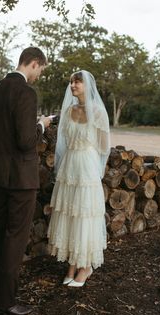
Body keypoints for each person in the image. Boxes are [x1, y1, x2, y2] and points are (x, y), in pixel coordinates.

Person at [0, 47, 51, 315]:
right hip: (21, 176)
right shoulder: (25, 93)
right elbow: (25, 141)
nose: (38, 75)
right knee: (15, 236)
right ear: (33, 63)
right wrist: (41, 125)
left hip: (0, 174)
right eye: (40, 70)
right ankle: (5, 300)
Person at [47, 70, 110, 287]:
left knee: (84, 214)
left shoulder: (99, 112)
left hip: (87, 166)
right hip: (70, 165)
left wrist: (88, 152)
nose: (73, 85)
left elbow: (104, 147)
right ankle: (72, 264)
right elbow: (63, 143)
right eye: (71, 81)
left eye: (77, 82)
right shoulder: (68, 111)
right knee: (70, 213)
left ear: (87, 86)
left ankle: (86, 266)